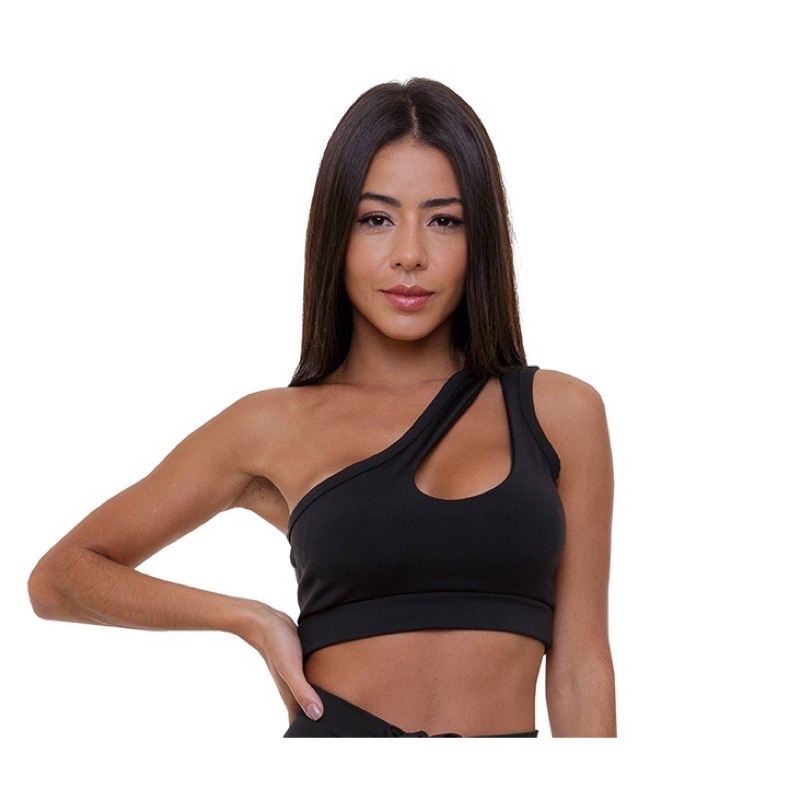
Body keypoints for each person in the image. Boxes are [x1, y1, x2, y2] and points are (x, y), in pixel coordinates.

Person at [28, 78, 616, 737]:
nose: (410, 255)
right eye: (376, 219)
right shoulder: (272, 425)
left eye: (444, 220)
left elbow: (581, 664)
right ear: (336, 233)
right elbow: (61, 577)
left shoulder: (561, 412)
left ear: (481, 239)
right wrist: (249, 619)